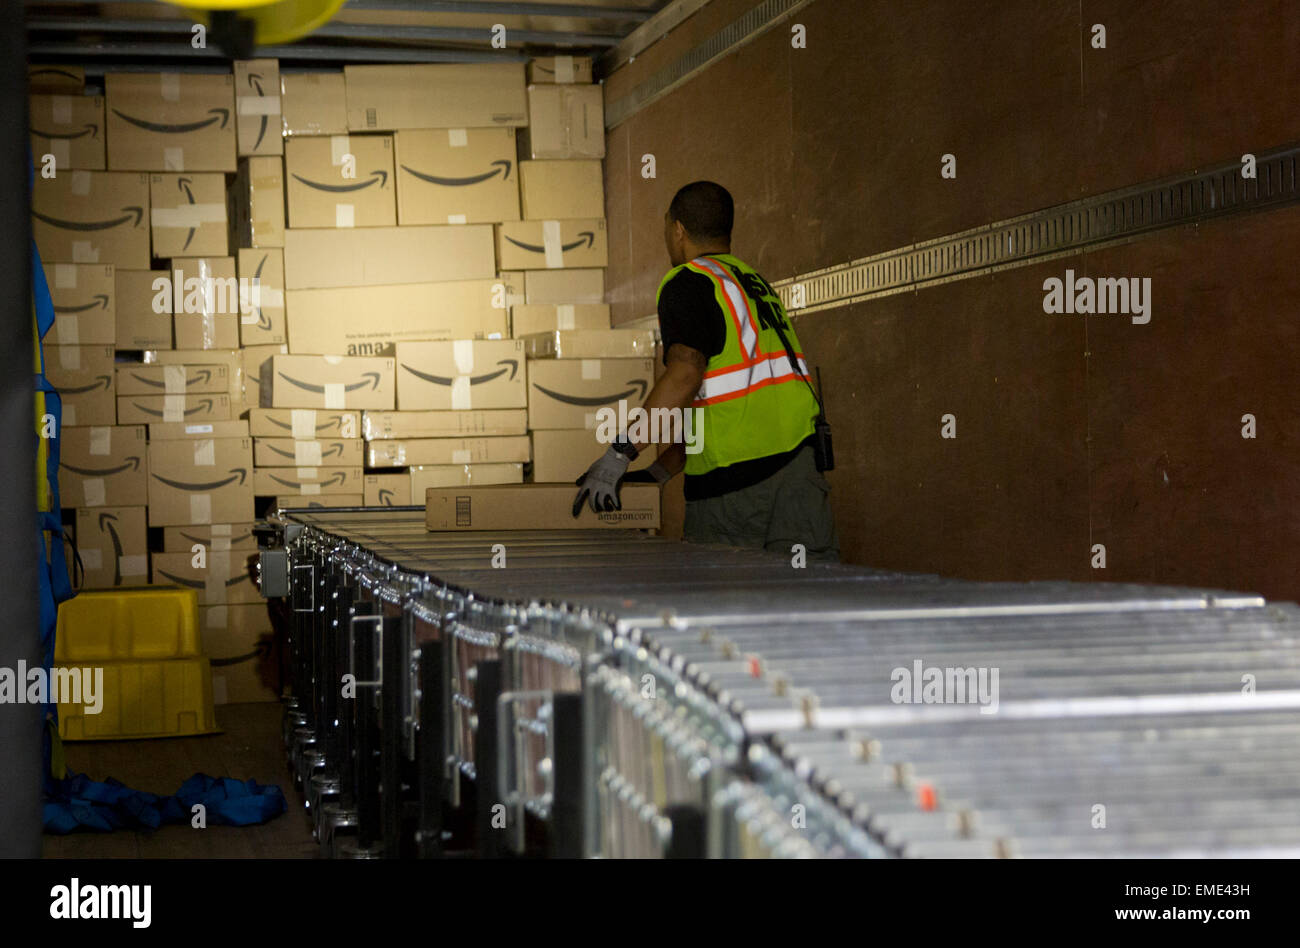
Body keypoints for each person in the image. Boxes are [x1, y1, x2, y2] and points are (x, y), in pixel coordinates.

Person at [573, 180, 839, 560]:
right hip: (800, 475)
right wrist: (662, 470)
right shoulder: (751, 283)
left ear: (678, 229)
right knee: (808, 605)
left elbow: (685, 376)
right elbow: (726, 397)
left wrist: (620, 453)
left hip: (736, 493)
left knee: (725, 610)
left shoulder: (689, 281)